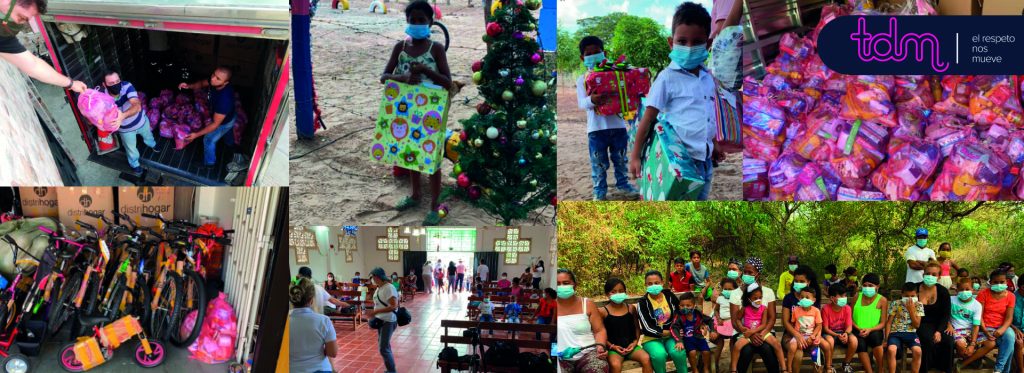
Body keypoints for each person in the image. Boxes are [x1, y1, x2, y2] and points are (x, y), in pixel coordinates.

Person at [628, 2, 722, 201]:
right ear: (671, 43)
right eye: (682, 41)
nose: (689, 47)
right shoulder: (667, 78)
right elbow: (648, 119)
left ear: (708, 44)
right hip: (680, 163)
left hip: (705, 161)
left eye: (697, 42)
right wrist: (635, 155)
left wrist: (713, 146)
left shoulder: (708, 78)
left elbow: (708, 116)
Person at [380, 0, 452, 223]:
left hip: (431, 112)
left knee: (431, 158)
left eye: (422, 20)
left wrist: (426, 70)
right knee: (410, 152)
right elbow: (384, 76)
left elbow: (447, 82)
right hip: (405, 110)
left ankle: (434, 204)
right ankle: (415, 194)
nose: (417, 24)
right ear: (407, 22)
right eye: (413, 20)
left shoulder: (436, 49)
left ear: (431, 22)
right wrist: (402, 78)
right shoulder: (400, 48)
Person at [576, 35, 638, 201]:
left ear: (604, 53)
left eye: (597, 52)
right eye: (589, 53)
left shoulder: (616, 74)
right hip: (596, 130)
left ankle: (623, 185)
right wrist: (592, 100)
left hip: (618, 127)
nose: (594, 56)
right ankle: (599, 191)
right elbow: (581, 103)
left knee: (620, 160)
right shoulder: (582, 79)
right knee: (598, 162)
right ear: (582, 58)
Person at [0, 0, 87, 93]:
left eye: (24, 20)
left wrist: (71, 84)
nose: (18, 23)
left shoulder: (3, 33)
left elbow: (33, 66)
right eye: (20, 17)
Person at [178, 67, 239, 169]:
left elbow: (215, 124)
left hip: (224, 121)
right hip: (229, 116)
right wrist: (189, 86)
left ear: (225, 83)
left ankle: (209, 163)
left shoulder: (224, 100)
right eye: (213, 74)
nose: (213, 79)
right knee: (228, 132)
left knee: (208, 139)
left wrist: (196, 135)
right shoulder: (215, 82)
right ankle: (230, 145)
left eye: (218, 78)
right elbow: (202, 83)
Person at [729, 258, 782, 373]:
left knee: (767, 349)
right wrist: (750, 334)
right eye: (745, 272)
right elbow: (734, 322)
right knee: (746, 351)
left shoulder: (768, 292)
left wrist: (761, 334)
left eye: (750, 272)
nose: (746, 275)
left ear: (758, 274)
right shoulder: (735, 293)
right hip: (742, 332)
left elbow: (772, 318)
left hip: (764, 331)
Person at [101, 71, 157, 175]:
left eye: (117, 81)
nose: (116, 84)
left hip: (140, 121)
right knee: (131, 149)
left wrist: (122, 116)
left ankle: (152, 144)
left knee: (148, 135)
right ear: (104, 85)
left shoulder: (127, 86)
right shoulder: (102, 97)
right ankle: (135, 164)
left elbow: (136, 105)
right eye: (111, 83)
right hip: (125, 130)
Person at [961, 270, 1017, 372]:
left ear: (1006, 282)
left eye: (1002, 282)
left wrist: (1002, 329)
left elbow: (1009, 317)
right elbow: (978, 316)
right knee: (1009, 346)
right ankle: (1002, 370)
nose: (999, 284)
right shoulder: (983, 294)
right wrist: (985, 330)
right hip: (984, 327)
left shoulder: (1011, 296)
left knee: (1010, 337)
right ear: (990, 282)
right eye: (995, 282)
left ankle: (998, 369)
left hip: (1002, 327)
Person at [556, 268, 610, 372]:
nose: (561, 287)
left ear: (575, 284)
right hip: (561, 357)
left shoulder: (587, 304)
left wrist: (600, 347)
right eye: (558, 284)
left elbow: (599, 331)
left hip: (588, 353)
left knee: (598, 368)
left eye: (566, 283)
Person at [636, 270, 688, 373]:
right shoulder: (642, 303)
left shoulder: (668, 295)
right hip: (652, 339)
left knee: (678, 352)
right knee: (659, 355)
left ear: (662, 282)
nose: (653, 285)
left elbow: (679, 312)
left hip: (672, 336)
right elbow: (647, 327)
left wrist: (680, 328)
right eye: (650, 284)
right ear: (645, 285)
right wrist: (669, 332)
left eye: (656, 283)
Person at [600, 278, 654, 373]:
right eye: (613, 292)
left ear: (625, 292)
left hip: (631, 346)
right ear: (607, 294)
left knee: (646, 358)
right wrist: (612, 346)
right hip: (613, 348)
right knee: (615, 365)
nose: (618, 294)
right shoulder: (603, 312)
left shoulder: (631, 308)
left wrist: (634, 342)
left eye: (621, 291)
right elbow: (600, 332)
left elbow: (637, 328)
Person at [288, 277, 337, 373]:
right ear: (311, 300)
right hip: (320, 369)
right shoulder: (324, 321)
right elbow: (332, 352)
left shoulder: (283, 323)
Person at [781, 266, 823, 373]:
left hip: (810, 336)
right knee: (798, 355)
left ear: (808, 282)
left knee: (818, 354)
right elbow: (785, 322)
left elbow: (818, 322)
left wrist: (816, 336)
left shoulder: (813, 299)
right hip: (791, 336)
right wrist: (797, 335)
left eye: (802, 281)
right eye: (796, 281)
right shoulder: (789, 298)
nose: (798, 283)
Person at [917, 261, 955, 373]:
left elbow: (946, 313)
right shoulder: (915, 288)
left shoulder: (943, 291)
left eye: (934, 274)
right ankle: (925, 369)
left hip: (939, 323)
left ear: (938, 277)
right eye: (928, 273)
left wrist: (939, 330)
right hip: (920, 323)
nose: (930, 276)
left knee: (948, 340)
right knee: (928, 339)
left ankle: (945, 369)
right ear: (923, 274)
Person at [670, 292, 715, 373]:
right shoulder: (679, 316)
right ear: (679, 306)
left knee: (706, 352)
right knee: (692, 352)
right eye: (682, 306)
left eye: (688, 305)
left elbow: (710, 320)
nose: (685, 308)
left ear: (694, 306)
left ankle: (706, 368)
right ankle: (695, 369)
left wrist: (712, 331)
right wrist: (679, 340)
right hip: (687, 340)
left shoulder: (698, 314)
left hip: (699, 338)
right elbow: (674, 328)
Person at [852, 273, 888, 373]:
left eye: (871, 285)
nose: (867, 288)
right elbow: (849, 318)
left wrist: (870, 329)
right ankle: (869, 371)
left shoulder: (882, 300)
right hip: (857, 329)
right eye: (865, 285)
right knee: (861, 344)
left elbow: (883, 323)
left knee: (876, 338)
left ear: (877, 287)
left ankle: (881, 369)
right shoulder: (856, 297)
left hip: (874, 330)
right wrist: (858, 328)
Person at [365, 268, 399, 373]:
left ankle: (392, 371)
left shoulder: (389, 287)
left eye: (373, 277)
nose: (372, 279)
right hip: (381, 320)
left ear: (378, 277)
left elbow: (394, 306)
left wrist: (375, 312)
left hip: (388, 321)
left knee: (383, 348)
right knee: (384, 346)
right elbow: (379, 302)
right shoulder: (379, 287)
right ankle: (390, 369)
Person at [885, 282, 924, 373]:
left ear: (917, 295)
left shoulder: (919, 305)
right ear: (902, 294)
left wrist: (911, 311)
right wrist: (886, 339)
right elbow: (889, 323)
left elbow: (917, 325)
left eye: (913, 295)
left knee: (918, 351)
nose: (910, 298)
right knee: (891, 350)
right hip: (895, 333)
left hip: (911, 333)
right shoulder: (896, 304)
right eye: (907, 296)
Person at [786, 287, 828, 373]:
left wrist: (813, 336)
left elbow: (819, 325)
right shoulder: (796, 310)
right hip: (799, 336)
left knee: (819, 350)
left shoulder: (816, 311)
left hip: (811, 336)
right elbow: (793, 323)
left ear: (814, 300)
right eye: (802, 297)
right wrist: (797, 336)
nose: (804, 299)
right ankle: (789, 367)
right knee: (792, 346)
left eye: (807, 297)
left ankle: (826, 367)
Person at [823, 283, 858, 373]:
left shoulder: (847, 308)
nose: (844, 298)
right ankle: (829, 365)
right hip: (829, 333)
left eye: (845, 295)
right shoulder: (826, 309)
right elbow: (826, 328)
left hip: (843, 332)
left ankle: (846, 363)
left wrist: (846, 334)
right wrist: (837, 335)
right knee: (830, 341)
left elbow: (849, 326)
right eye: (841, 296)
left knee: (854, 341)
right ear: (832, 298)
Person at [949, 278, 982, 362]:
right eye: (961, 289)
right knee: (961, 344)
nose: (964, 292)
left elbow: (976, 325)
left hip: (970, 331)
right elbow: (944, 315)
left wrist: (973, 343)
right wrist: (948, 325)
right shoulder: (951, 300)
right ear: (957, 290)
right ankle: (966, 361)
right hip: (955, 330)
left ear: (972, 290)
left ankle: (965, 361)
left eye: (967, 289)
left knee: (985, 343)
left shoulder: (977, 305)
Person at [710, 278, 737, 373]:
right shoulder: (720, 298)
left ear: (735, 290)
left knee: (734, 342)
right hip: (721, 322)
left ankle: (733, 366)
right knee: (717, 340)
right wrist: (718, 318)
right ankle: (714, 364)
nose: (727, 291)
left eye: (730, 289)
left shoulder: (737, 299)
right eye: (725, 289)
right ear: (722, 289)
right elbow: (716, 310)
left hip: (732, 323)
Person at [1011, 276, 1024, 371]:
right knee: (1019, 343)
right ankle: (1021, 369)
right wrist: (1015, 329)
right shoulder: (1011, 297)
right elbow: (1005, 319)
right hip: (1013, 328)